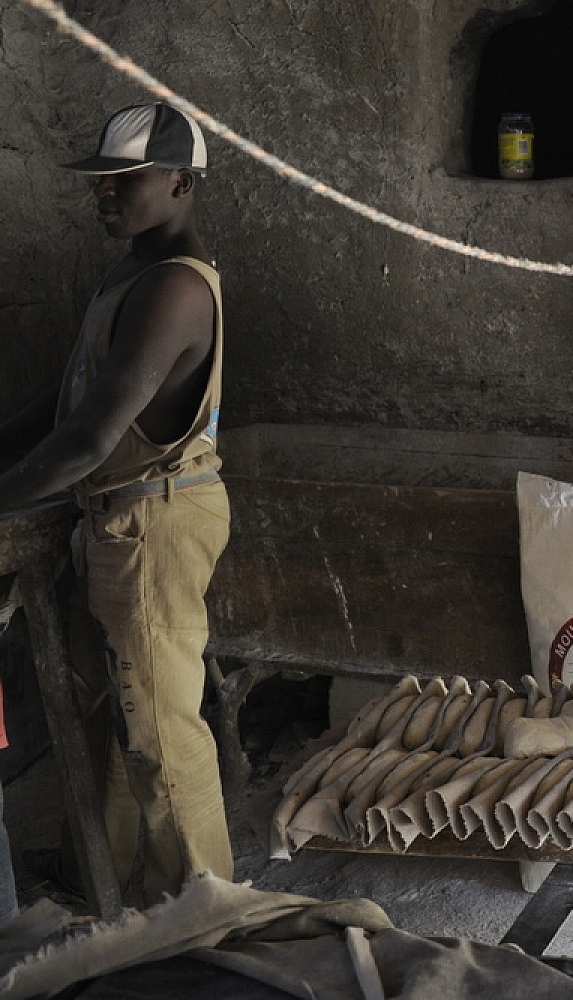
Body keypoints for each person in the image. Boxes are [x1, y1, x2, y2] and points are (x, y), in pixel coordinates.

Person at [0, 102, 233, 904]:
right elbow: (62, 405)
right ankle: (118, 885)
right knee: (113, 716)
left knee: (163, 735)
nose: (104, 194)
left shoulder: (174, 289)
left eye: (123, 180)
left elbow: (91, 438)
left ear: (180, 182)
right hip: (116, 516)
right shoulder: (130, 272)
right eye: (99, 181)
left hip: (154, 519)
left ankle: (207, 909)